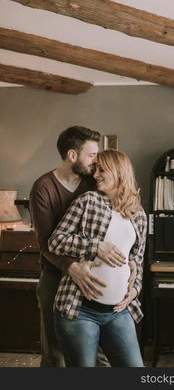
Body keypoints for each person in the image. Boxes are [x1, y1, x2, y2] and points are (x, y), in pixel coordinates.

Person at [48, 149, 147, 367]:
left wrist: (135, 290)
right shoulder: (87, 201)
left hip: (118, 313)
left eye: (102, 170)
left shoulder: (138, 214)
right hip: (79, 309)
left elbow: (137, 261)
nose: (96, 175)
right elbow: (55, 241)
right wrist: (96, 246)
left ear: (119, 172)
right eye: (95, 169)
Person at [29, 126, 111, 367]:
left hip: (94, 274)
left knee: (98, 351)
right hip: (54, 274)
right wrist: (71, 267)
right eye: (91, 155)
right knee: (55, 353)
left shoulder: (93, 184)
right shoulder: (43, 187)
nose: (96, 162)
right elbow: (45, 242)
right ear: (72, 155)